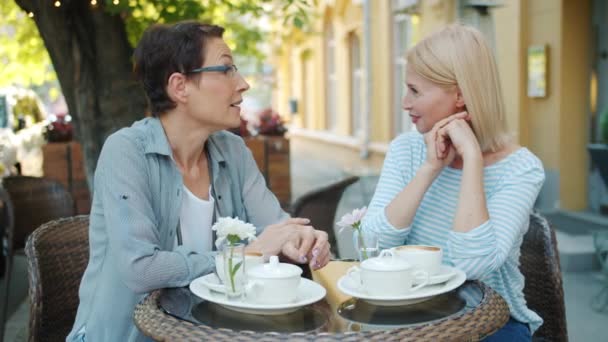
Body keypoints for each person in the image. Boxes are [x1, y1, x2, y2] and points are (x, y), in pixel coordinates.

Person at [67, 21, 330, 342]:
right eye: (228, 69)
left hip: (210, 332)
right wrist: (247, 254)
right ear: (180, 87)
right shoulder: (126, 151)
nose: (244, 84)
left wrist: (300, 240)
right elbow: (141, 269)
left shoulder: (233, 150)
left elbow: (275, 229)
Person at [361, 24, 544, 340]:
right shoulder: (406, 149)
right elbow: (371, 243)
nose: (405, 103)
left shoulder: (520, 169)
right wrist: (430, 169)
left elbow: (471, 266)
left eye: (415, 91)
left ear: (460, 95)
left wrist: (472, 158)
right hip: (408, 317)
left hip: (490, 322)